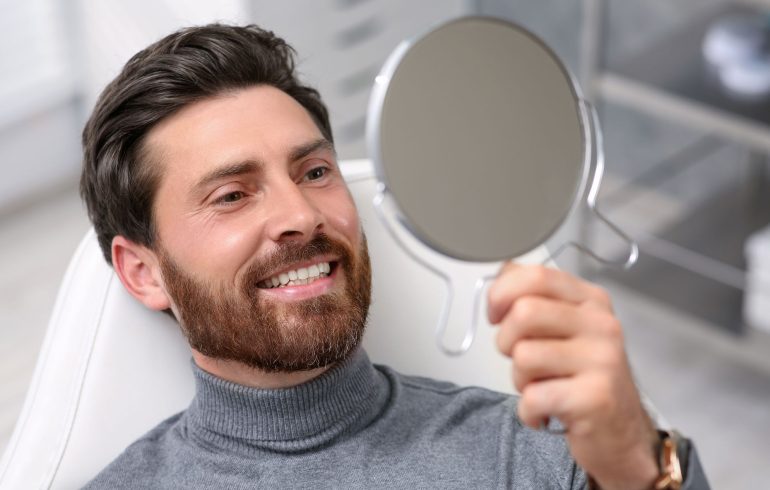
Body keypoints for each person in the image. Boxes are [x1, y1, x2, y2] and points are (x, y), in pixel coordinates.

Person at [79, 23, 708, 489]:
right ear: (144, 271)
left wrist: (637, 463)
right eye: (233, 195)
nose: (302, 215)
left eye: (316, 170)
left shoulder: (536, 456)